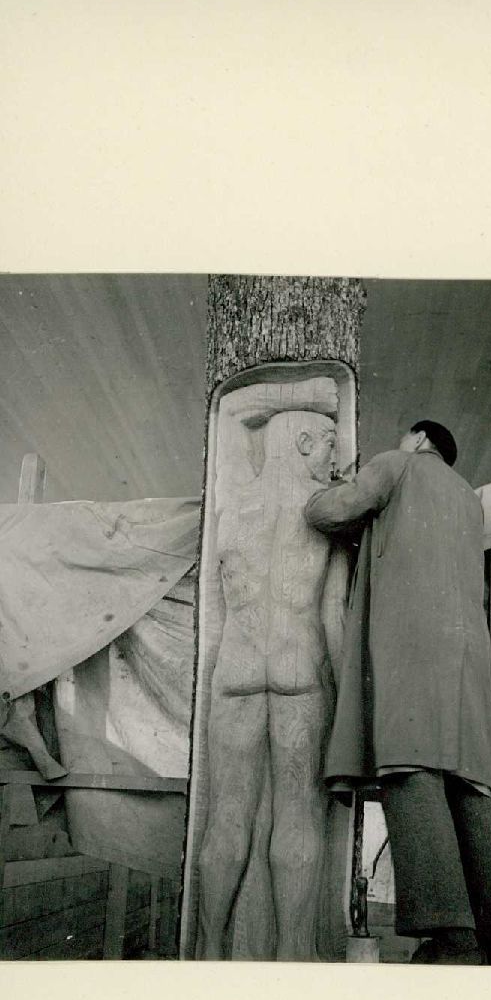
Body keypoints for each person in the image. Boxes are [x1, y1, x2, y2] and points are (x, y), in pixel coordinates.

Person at [303, 418, 491, 965]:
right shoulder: (468, 501)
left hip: (413, 646)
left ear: (420, 440)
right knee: (469, 784)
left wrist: (332, 484)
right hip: (466, 656)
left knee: (412, 771)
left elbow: (326, 512)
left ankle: (451, 938)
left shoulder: (398, 465)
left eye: (405, 436)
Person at [197, 396, 345, 960]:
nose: (334, 459)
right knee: (298, 815)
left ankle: (211, 949)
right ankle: (293, 951)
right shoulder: (326, 514)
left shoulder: (235, 499)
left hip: (236, 669)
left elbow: (233, 409)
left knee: (226, 814)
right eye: (328, 444)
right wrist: (346, 700)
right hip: (297, 669)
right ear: (303, 443)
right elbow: (333, 617)